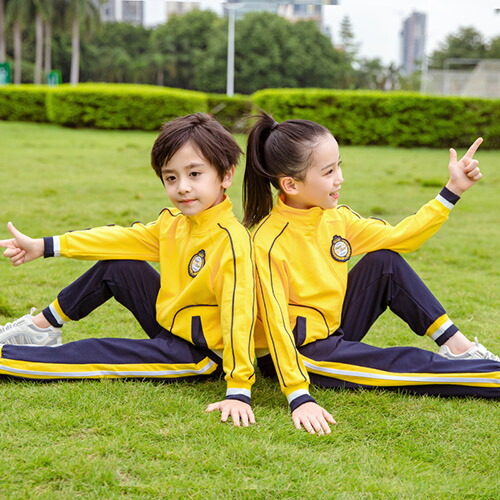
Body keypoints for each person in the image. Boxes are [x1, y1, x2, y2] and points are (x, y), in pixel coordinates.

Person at [243, 112, 500, 435]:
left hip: (333, 329)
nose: (340, 178)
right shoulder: (267, 242)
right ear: (291, 184)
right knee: (406, 365)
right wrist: (299, 396)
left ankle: (459, 347)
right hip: (301, 354)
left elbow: (401, 238)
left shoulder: (336, 218)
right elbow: (278, 326)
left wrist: (452, 191)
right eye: (328, 171)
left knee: (384, 261)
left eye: (339, 166)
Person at [0, 113, 256, 427]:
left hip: (200, 354)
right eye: (171, 177)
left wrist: (239, 387)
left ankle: (6, 359)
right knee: (119, 263)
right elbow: (119, 238)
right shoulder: (174, 224)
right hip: (171, 325)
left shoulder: (231, 241)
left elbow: (239, 315)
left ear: (226, 175)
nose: (182, 187)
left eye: (194, 174)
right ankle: (41, 327)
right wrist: (45, 245)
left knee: (98, 350)